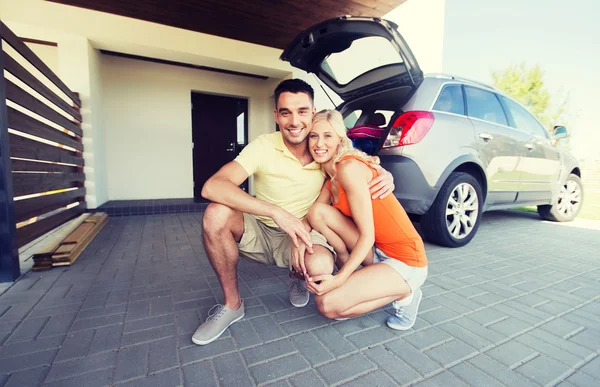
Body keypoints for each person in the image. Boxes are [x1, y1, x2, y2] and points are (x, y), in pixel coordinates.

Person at [193, 79, 395, 345]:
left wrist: (384, 174)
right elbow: (212, 187)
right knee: (215, 214)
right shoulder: (264, 145)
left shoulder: (324, 149)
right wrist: (276, 212)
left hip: (308, 233)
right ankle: (232, 305)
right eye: (285, 112)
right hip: (263, 229)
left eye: (301, 111)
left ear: (313, 113)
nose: (294, 121)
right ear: (276, 116)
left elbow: (357, 162)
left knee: (321, 267)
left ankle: (298, 276)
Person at [303, 109, 428, 330]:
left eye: (327, 135)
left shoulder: (349, 168)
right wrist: (300, 241)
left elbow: (367, 235)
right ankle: (363, 277)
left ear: (340, 139)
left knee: (327, 305)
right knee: (317, 212)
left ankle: (407, 293)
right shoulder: (330, 179)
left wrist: (340, 278)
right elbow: (314, 216)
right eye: (314, 135)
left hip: (407, 260)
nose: (319, 143)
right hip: (377, 253)